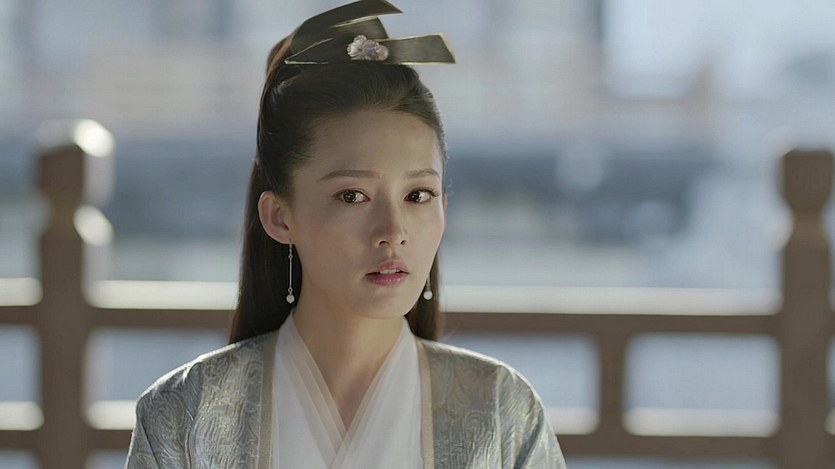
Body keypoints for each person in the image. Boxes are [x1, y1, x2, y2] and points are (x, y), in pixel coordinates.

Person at [125, 1, 567, 467]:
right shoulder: (184, 413)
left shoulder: (500, 411)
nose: (393, 232)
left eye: (418, 195)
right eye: (352, 196)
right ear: (280, 217)